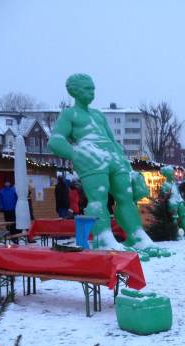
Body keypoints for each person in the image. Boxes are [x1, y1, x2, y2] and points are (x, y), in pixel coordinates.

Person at [48, 73, 163, 253]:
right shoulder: (69, 114)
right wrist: (77, 154)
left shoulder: (98, 115)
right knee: (98, 198)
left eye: (93, 88)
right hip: (91, 156)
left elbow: (113, 140)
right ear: (75, 91)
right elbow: (55, 141)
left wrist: (126, 164)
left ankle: (137, 236)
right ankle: (104, 239)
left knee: (126, 197)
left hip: (113, 156)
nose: (92, 92)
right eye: (87, 88)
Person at [160, 165, 185, 239]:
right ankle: (176, 234)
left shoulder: (173, 183)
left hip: (179, 201)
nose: (174, 175)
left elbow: (177, 193)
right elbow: (164, 196)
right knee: (174, 219)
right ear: (168, 174)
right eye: (172, 173)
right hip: (172, 203)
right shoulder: (165, 185)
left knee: (183, 217)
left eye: (173, 173)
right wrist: (166, 194)